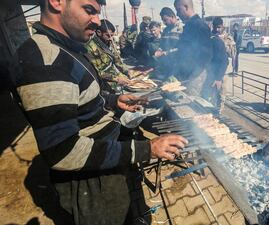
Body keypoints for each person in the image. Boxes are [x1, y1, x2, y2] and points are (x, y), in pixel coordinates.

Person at [10, 0, 188, 224]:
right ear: (56, 3)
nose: (96, 20)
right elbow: (64, 152)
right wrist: (147, 149)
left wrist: (113, 100)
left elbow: (77, 97)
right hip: (91, 181)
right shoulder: (45, 62)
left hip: (107, 158)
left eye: (97, 12)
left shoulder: (66, 48)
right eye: (89, 10)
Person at [173, 0, 213, 96]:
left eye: (178, 10)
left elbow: (206, 55)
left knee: (192, 106)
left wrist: (192, 75)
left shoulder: (199, 26)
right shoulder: (189, 25)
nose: (177, 14)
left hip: (195, 76)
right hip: (187, 74)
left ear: (186, 7)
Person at [86, 19, 133, 91]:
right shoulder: (90, 48)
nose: (111, 38)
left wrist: (127, 71)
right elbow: (97, 72)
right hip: (103, 83)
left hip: (116, 77)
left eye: (112, 35)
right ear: (99, 32)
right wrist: (116, 79)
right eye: (108, 35)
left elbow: (117, 60)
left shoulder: (109, 43)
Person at [202, 17, 229, 112]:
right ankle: (212, 113)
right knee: (210, 95)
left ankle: (219, 114)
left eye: (219, 27)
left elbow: (226, 60)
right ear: (212, 26)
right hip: (212, 72)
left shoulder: (227, 37)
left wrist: (219, 78)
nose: (217, 29)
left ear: (223, 27)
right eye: (215, 27)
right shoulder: (211, 37)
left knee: (221, 96)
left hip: (222, 71)